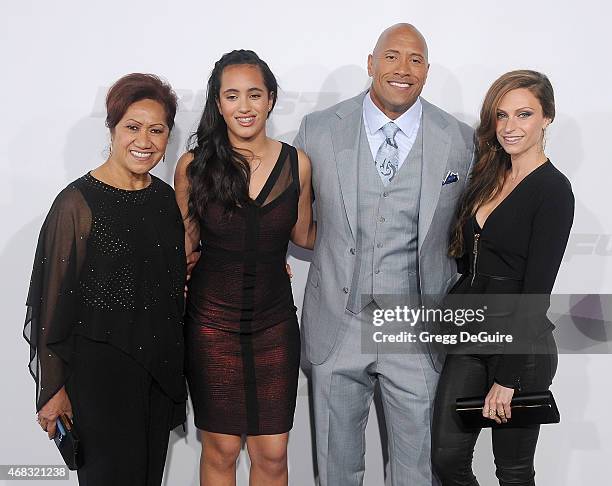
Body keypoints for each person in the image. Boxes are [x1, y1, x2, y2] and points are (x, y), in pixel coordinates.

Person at [293, 23, 475, 485]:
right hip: (338, 317)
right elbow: (296, 221)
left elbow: (467, 232)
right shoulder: (317, 129)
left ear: (427, 72)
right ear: (370, 63)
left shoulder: (459, 138)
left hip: (416, 328)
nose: (403, 68)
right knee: (335, 464)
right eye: (392, 56)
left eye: (415, 60)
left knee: (417, 469)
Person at [24, 73, 187, 486]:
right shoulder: (77, 203)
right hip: (98, 380)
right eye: (132, 127)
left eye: (157, 129)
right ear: (113, 129)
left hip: (155, 373)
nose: (144, 140)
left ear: (168, 135)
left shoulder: (164, 199)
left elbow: (165, 278)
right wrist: (53, 389)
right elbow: (49, 304)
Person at [174, 50, 315, 486]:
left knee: (272, 453)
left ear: (271, 99)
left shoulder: (298, 164)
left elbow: (307, 236)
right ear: (218, 104)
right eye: (231, 96)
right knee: (222, 448)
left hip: (274, 322)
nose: (244, 106)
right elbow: (182, 247)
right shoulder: (193, 167)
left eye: (254, 94)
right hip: (211, 322)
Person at [431, 70, 574, 486]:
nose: (510, 127)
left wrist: (507, 379)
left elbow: (536, 292)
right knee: (446, 460)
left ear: (546, 117)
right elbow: (468, 263)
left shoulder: (553, 190)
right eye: (502, 116)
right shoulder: (489, 175)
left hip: (521, 350)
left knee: (511, 473)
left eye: (524, 114)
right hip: (471, 339)